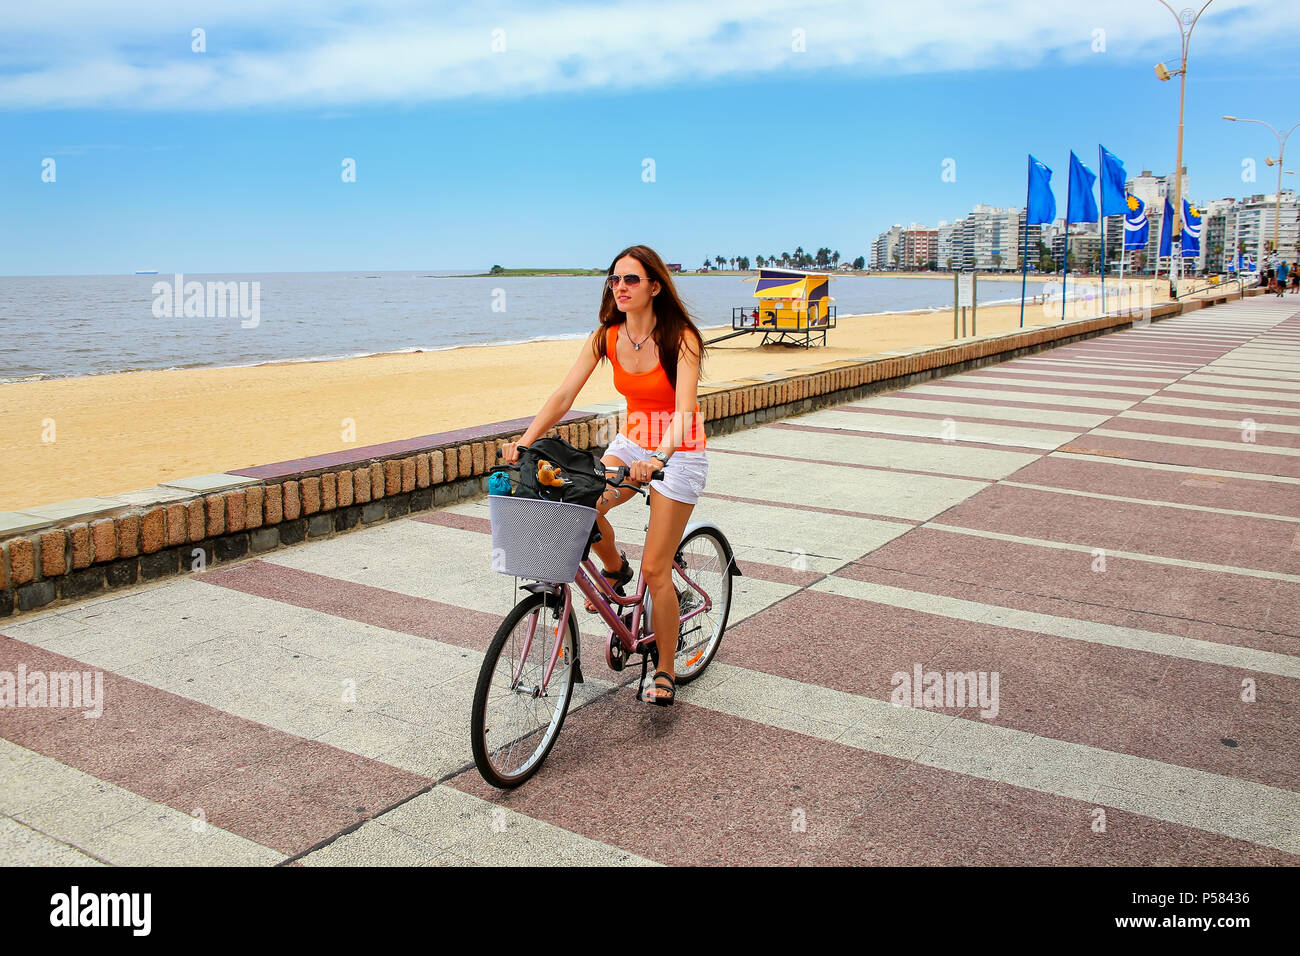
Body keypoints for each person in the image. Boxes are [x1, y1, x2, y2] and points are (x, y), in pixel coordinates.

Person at [500, 244, 709, 707]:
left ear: (655, 286)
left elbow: (684, 410)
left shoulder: (681, 337)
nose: (620, 287)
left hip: (680, 450)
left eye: (631, 280)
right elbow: (563, 395)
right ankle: (615, 573)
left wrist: (659, 458)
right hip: (632, 443)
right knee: (580, 506)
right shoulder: (607, 336)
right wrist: (526, 440)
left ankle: (667, 670)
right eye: (615, 279)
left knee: (657, 570)